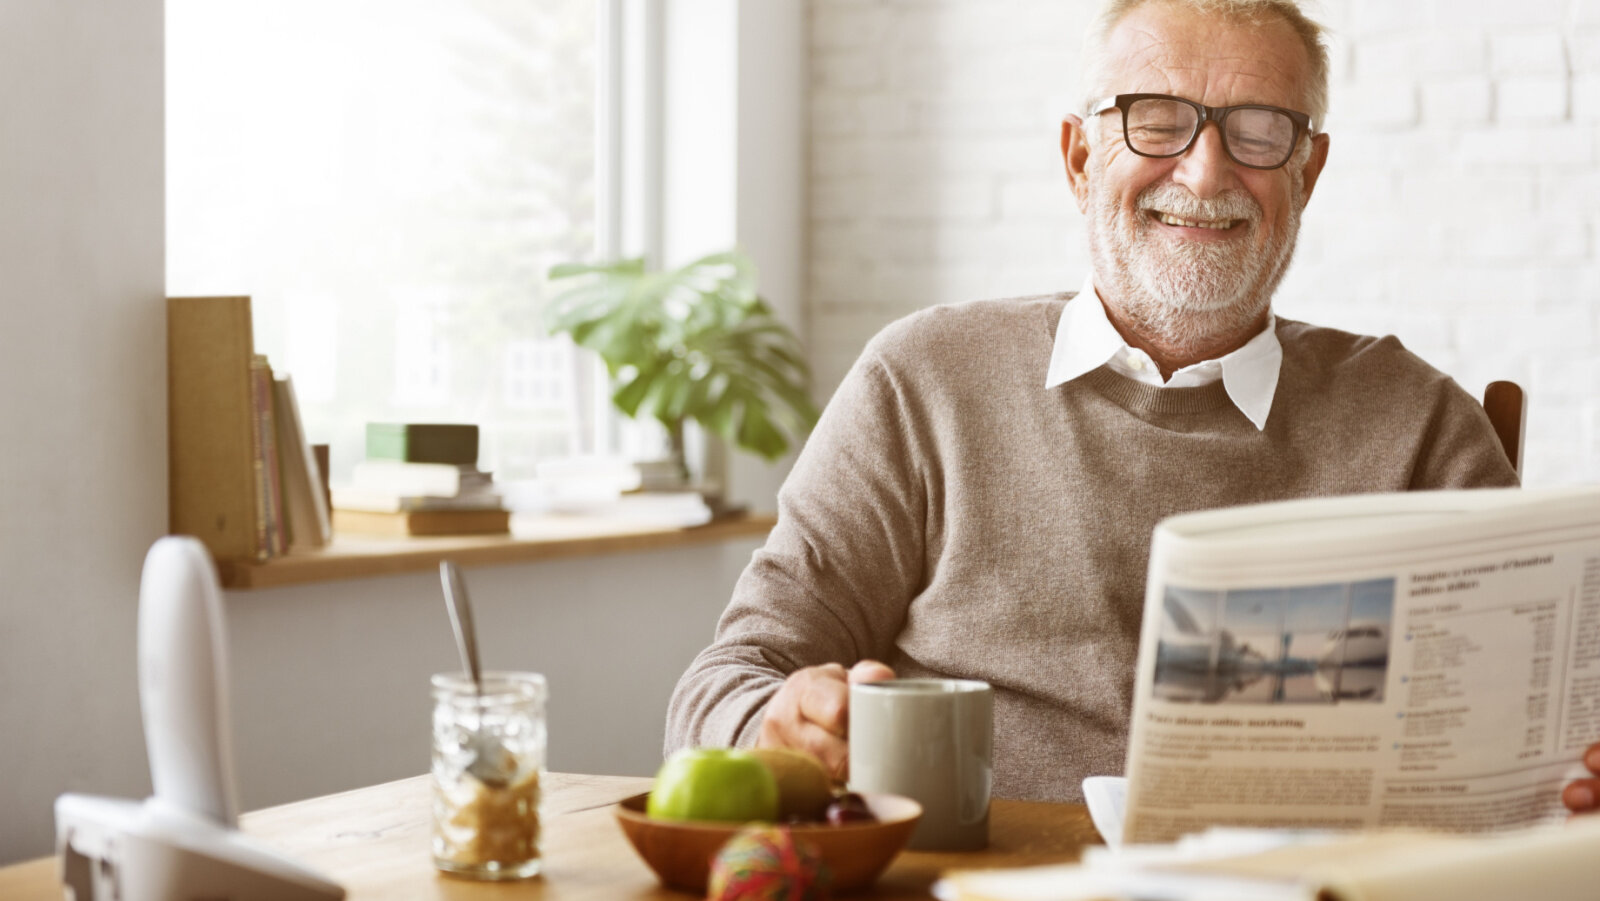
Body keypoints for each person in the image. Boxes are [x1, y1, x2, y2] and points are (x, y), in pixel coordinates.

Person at [666, 0, 1600, 811]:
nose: (1203, 173)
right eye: (1156, 121)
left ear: (1307, 175)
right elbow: (721, 687)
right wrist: (773, 722)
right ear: (1079, 158)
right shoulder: (924, 380)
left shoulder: (1419, 426)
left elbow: (1541, 733)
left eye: (1259, 131)